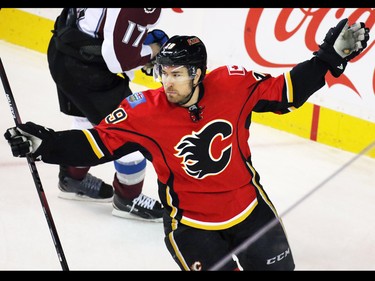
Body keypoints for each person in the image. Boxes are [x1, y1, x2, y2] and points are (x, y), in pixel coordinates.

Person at [4, 18, 369, 270]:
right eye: (163, 72)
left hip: (250, 212)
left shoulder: (234, 85)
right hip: (191, 228)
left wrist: (328, 58)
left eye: (176, 74)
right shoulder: (144, 112)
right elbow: (97, 144)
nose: (167, 82)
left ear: (197, 73)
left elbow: (287, 92)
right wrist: (45, 145)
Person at [46, 8, 169, 222]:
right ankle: (127, 199)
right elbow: (118, 60)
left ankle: (72, 179)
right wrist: (153, 50)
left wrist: (139, 49)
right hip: (89, 71)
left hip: (64, 50)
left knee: (85, 121)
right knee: (132, 137)